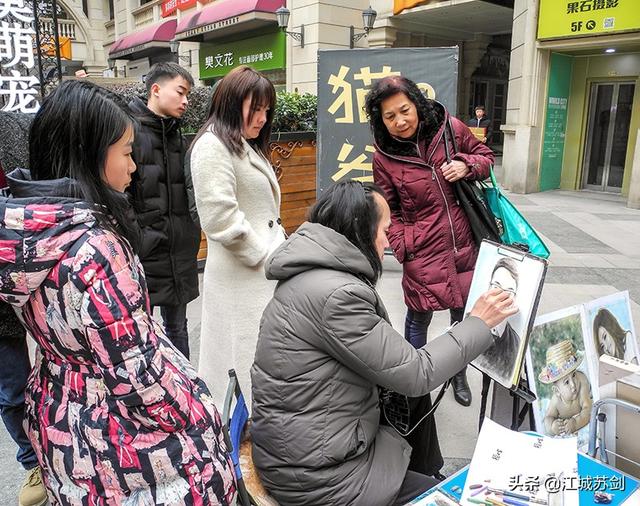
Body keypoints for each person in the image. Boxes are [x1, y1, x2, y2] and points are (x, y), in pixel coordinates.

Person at [0, 80, 236, 505]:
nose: (134, 168)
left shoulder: (29, 236)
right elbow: (138, 375)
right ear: (91, 154)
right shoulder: (96, 249)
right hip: (122, 441)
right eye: (127, 153)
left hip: (61, 419)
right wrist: (199, 410)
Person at [250, 181, 518, 506]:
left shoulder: (316, 274)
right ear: (361, 230)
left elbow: (401, 369)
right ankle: (428, 491)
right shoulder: (336, 295)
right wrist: (478, 323)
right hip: (317, 476)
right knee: (456, 498)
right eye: (385, 229)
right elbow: (417, 371)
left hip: (307, 446)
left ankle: (427, 478)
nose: (387, 241)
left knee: (411, 399)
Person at [365, 75, 494, 475]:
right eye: (390, 116)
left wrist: (467, 164)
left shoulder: (451, 129)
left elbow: (486, 157)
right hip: (423, 251)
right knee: (417, 320)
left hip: (466, 246)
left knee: (464, 320)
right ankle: (413, 387)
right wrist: (406, 244)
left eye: (404, 110)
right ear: (380, 121)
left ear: (418, 104)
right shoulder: (384, 157)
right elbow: (390, 211)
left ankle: (457, 376)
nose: (400, 121)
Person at [190, 65, 285, 410]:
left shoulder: (242, 143)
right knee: (237, 366)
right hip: (242, 277)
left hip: (255, 275)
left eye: (266, 110)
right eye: (255, 108)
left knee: (252, 362)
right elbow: (220, 219)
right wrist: (265, 256)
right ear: (232, 103)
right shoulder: (213, 146)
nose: (262, 118)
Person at [128, 62, 200, 359]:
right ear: (156, 90)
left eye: (188, 95)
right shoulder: (127, 131)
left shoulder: (178, 136)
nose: (186, 101)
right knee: (138, 333)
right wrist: (139, 234)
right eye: (180, 92)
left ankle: (186, 395)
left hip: (179, 251)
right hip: (143, 251)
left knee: (178, 329)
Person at [1, 159, 48, 506]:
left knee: (52, 380)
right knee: (13, 392)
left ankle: (56, 454)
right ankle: (33, 462)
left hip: (32, 289)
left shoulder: (12, 137)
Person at [472, 257, 521, 383]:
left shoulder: (515, 342)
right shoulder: (468, 323)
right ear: (488, 287)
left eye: (509, 291)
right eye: (496, 286)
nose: (501, 296)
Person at [539, 340, 593, 436]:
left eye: (573, 375)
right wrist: (552, 427)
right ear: (557, 391)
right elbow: (548, 418)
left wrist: (576, 423)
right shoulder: (556, 401)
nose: (573, 384)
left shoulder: (581, 384)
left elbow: (588, 409)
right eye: (567, 382)